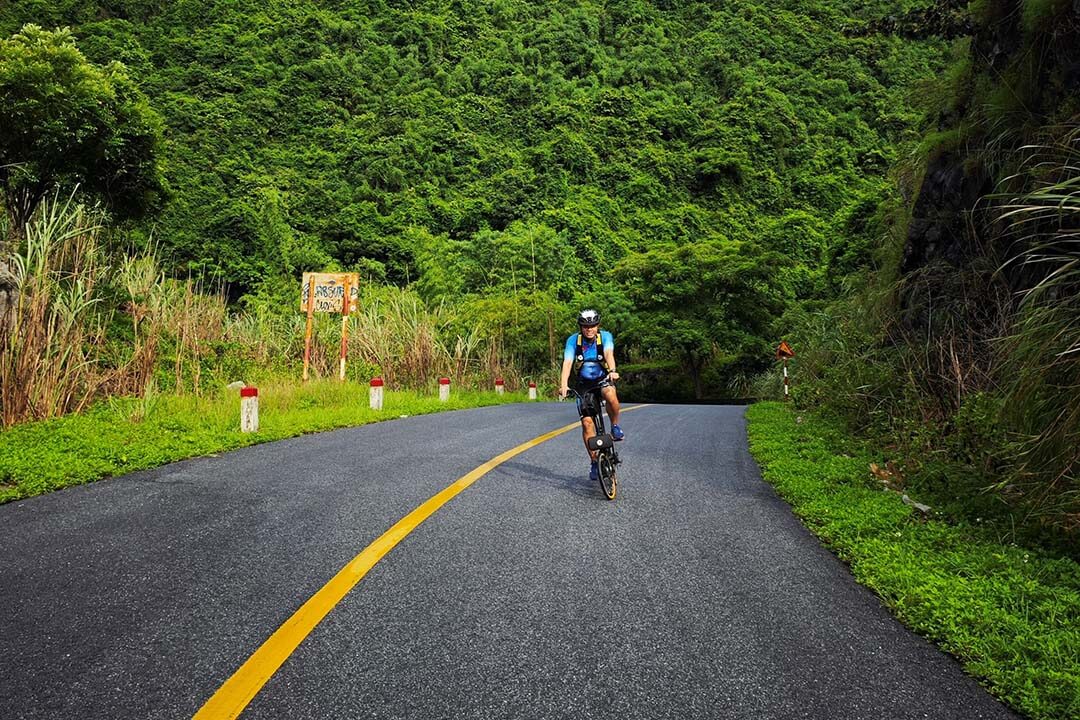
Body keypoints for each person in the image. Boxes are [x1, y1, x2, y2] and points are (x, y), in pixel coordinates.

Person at [558, 309, 624, 482]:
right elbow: (567, 362)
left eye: (593, 326)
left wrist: (613, 371)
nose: (589, 329)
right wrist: (563, 384)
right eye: (586, 326)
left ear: (598, 326)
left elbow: (609, 354)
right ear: (581, 327)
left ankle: (615, 427)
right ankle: (594, 461)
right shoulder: (573, 341)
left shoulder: (606, 337)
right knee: (587, 424)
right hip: (583, 385)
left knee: (610, 394)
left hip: (603, 378)